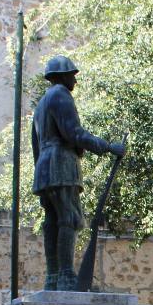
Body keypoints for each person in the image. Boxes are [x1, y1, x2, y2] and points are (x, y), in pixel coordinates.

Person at [31, 55, 126, 291]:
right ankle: (65, 276)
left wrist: (40, 175)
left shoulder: (41, 104)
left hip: (44, 167)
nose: (75, 78)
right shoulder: (60, 95)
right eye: (72, 74)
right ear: (62, 75)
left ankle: (53, 277)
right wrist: (107, 146)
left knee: (53, 220)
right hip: (60, 164)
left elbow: (35, 144)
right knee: (69, 219)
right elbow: (74, 133)